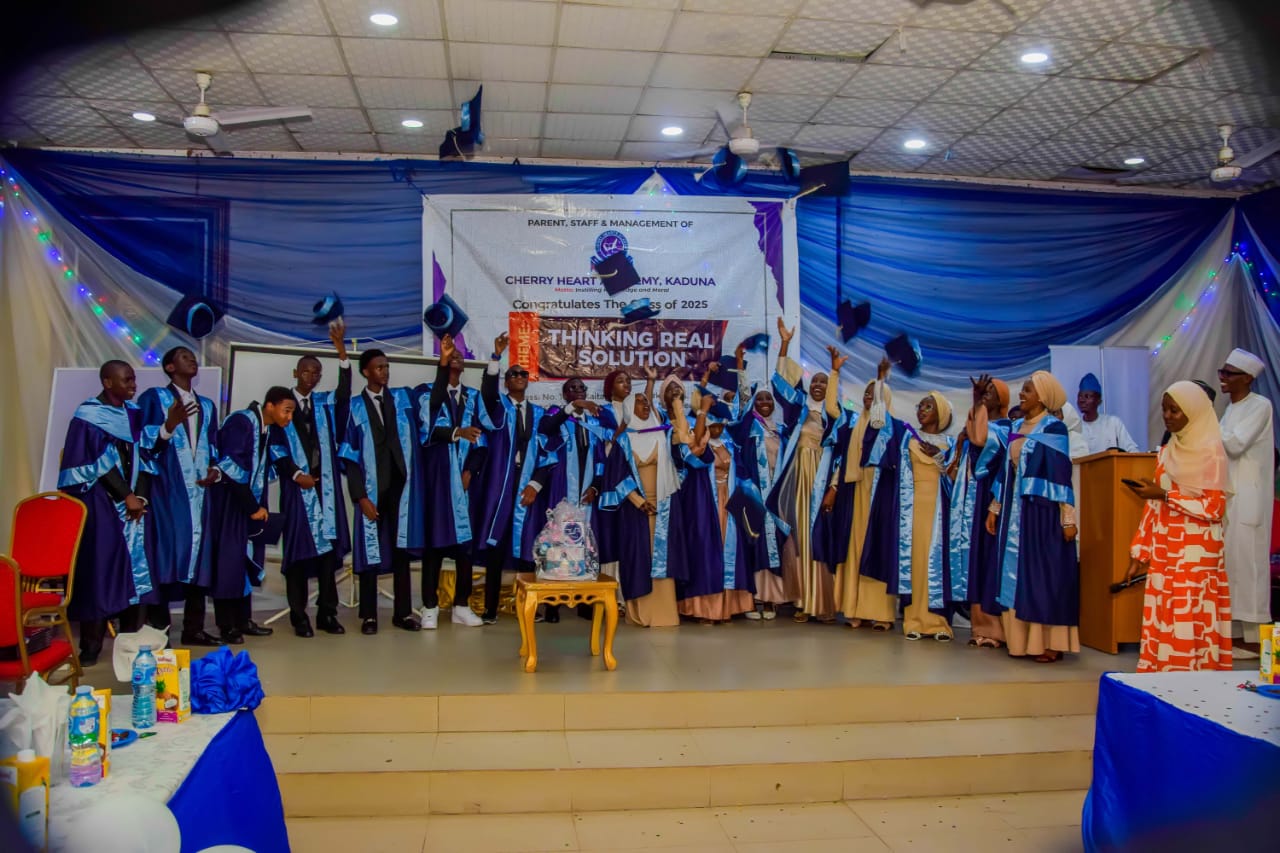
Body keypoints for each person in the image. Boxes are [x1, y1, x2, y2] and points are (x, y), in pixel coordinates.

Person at [1126, 381, 1232, 671]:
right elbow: (1153, 505)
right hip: (1166, 547)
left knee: (1188, 619)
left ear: (1194, 412)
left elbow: (1214, 508)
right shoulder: (1167, 451)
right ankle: (1163, 679)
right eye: (1164, 409)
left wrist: (1165, 495)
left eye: (1175, 410)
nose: (1168, 416)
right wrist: (1140, 552)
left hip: (1197, 553)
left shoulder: (1212, 452)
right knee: (1164, 615)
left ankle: (1192, 682)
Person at [59, 361, 156, 666]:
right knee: (99, 571)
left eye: (134, 379)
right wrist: (124, 496)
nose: (132, 385)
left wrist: (138, 496)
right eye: (126, 380)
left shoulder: (133, 415)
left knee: (138, 571)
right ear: (107, 382)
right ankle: (91, 645)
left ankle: (131, 639)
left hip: (133, 507)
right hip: (101, 505)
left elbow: (145, 457)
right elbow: (89, 463)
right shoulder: (87, 416)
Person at [987, 371, 1079, 663]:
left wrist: (1068, 519)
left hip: (1041, 513)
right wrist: (994, 508)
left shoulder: (1054, 429)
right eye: (1023, 390)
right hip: (1014, 514)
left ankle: (1049, 642)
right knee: (1014, 573)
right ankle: (1020, 641)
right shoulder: (1015, 426)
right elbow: (1006, 470)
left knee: (1044, 576)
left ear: (1042, 396)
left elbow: (1062, 477)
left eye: (1027, 390)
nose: (1022, 395)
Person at [136, 346, 224, 647]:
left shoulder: (208, 406)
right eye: (185, 357)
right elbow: (143, 446)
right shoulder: (154, 399)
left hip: (200, 494)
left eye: (193, 356)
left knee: (199, 558)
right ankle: (159, 630)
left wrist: (215, 469)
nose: (193, 360)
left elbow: (213, 446)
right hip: (168, 492)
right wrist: (168, 426)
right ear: (170, 367)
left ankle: (194, 628)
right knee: (165, 555)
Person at [268, 321, 352, 637]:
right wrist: (295, 474)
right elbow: (275, 447)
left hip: (325, 491)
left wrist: (342, 352)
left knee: (328, 554)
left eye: (317, 372)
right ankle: (299, 616)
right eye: (306, 371)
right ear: (295, 373)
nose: (312, 376)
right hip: (296, 491)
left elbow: (344, 393)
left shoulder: (324, 403)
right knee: (299, 554)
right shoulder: (281, 405)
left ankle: (327, 614)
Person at [470, 333, 553, 623]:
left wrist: (535, 484)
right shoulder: (497, 408)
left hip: (527, 486)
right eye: (513, 374)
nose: (519, 376)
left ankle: (531, 608)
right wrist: (495, 357)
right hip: (499, 487)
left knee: (529, 548)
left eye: (523, 373)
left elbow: (548, 455)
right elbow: (487, 392)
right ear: (507, 381)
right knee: (496, 548)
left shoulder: (539, 414)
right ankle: (490, 609)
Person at [340, 348, 423, 634]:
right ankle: (369, 616)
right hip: (372, 491)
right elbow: (349, 457)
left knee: (400, 552)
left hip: (401, 489)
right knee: (370, 553)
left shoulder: (401, 399)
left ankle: (402, 613)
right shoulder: (354, 406)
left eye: (386, 367)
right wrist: (360, 497)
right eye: (378, 368)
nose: (384, 372)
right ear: (365, 371)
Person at [767, 320, 845, 623]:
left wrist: (833, 488)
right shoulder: (799, 406)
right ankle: (801, 601)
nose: (817, 386)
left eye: (824, 383)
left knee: (819, 536)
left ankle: (821, 603)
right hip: (797, 476)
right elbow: (778, 384)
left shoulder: (836, 415)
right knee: (797, 536)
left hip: (821, 477)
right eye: (815, 382)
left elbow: (839, 454)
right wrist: (784, 343)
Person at [205, 387, 295, 643]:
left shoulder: (268, 429)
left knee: (244, 563)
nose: (288, 417)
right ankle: (227, 625)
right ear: (270, 406)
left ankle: (243, 620)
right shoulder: (241, 421)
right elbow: (231, 468)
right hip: (231, 504)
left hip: (249, 503)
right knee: (228, 564)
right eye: (286, 410)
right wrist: (251, 507)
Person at [822, 360, 897, 631]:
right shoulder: (854, 423)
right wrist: (834, 372)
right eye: (865, 393)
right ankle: (855, 609)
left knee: (875, 548)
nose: (867, 398)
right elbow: (831, 410)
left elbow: (878, 422)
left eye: (873, 394)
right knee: (853, 550)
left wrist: (879, 381)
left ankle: (881, 614)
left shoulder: (890, 427)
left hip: (878, 495)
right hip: (854, 492)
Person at [673, 375, 754, 623]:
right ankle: (703, 608)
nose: (718, 427)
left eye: (720, 423)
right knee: (704, 552)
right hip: (703, 505)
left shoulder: (729, 445)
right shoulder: (701, 444)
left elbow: (741, 474)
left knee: (730, 552)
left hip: (728, 505)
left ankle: (727, 606)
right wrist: (702, 411)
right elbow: (692, 455)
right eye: (713, 422)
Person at [419, 334, 485, 628]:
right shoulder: (427, 393)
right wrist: (457, 433)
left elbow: (482, 440)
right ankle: (429, 606)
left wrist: (470, 470)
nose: (456, 357)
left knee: (464, 548)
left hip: (465, 484)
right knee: (434, 544)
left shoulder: (473, 397)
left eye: (458, 355)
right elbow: (429, 431)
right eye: (450, 355)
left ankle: (461, 604)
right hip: (437, 480)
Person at [599, 390, 681, 627]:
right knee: (638, 558)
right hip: (635, 510)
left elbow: (679, 467)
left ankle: (665, 613)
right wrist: (637, 500)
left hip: (663, 507)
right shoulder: (624, 440)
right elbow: (614, 476)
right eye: (638, 402)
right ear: (627, 409)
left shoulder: (662, 436)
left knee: (662, 558)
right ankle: (639, 613)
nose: (644, 405)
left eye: (646, 401)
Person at [726, 352, 794, 619]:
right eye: (760, 398)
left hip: (777, 497)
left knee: (776, 544)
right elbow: (742, 403)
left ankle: (772, 600)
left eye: (768, 398)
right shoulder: (749, 427)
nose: (764, 402)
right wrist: (741, 369)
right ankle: (754, 598)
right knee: (754, 544)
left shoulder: (782, 429)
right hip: (754, 494)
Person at [534, 377, 607, 622]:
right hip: (561, 488)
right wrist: (572, 408)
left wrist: (596, 486)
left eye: (582, 388)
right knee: (557, 543)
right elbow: (545, 430)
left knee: (584, 543)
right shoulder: (555, 413)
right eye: (572, 388)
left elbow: (600, 458)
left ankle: (584, 599)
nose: (578, 391)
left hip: (586, 490)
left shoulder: (593, 422)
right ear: (564, 394)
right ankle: (552, 603)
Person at [1218, 347, 1276, 647]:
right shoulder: (1230, 409)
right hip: (1230, 496)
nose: (1223, 379)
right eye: (1222, 372)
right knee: (1233, 565)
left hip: (1249, 496)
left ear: (1247, 378)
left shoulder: (1260, 405)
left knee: (1249, 565)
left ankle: (1256, 640)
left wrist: (1205, 428)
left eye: (1229, 374)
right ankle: (1237, 636)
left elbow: (1236, 444)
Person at [951, 376, 1012, 649]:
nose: (985, 395)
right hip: (974, 500)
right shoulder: (977, 423)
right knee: (976, 559)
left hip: (995, 497)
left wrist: (977, 402)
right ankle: (980, 627)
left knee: (991, 561)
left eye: (990, 392)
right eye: (982, 392)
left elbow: (981, 437)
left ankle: (998, 630)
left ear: (1002, 400)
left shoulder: (1008, 428)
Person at [898, 392, 955, 641]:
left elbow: (955, 478)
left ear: (940, 413)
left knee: (936, 564)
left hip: (940, 508)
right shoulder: (907, 439)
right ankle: (914, 620)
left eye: (928, 406)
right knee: (916, 561)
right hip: (912, 509)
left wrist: (938, 456)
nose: (922, 410)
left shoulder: (949, 443)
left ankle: (939, 623)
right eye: (920, 405)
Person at [1075, 373, 1138, 454]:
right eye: (1080, 396)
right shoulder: (1075, 427)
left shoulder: (1113, 423)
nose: (1082, 400)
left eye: (1087, 396)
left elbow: (1131, 450)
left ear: (1099, 400)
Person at [1159, 380, 1215, 446]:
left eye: (1174, 410)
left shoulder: (1210, 439)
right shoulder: (1171, 434)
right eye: (1164, 410)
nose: (1166, 416)